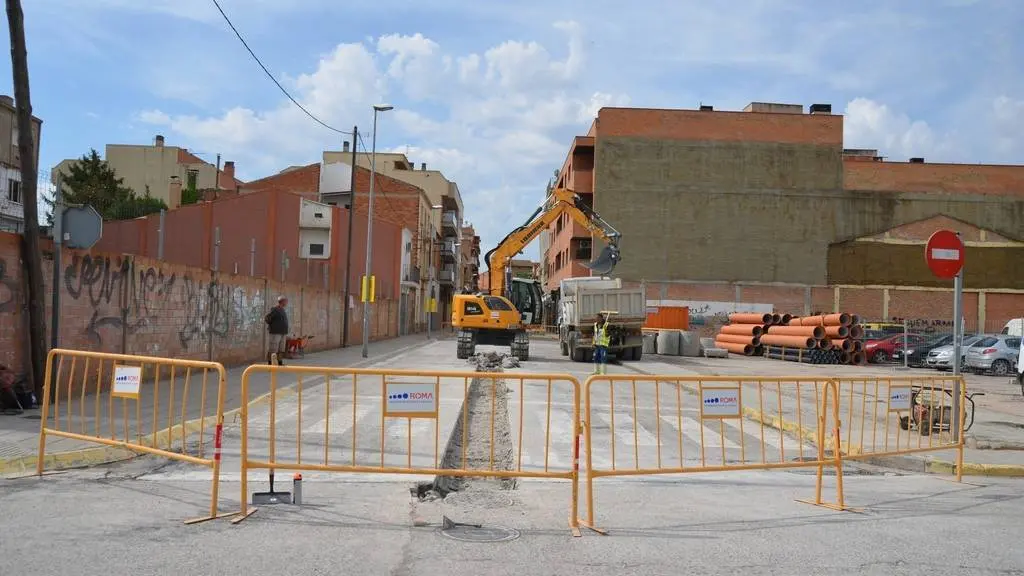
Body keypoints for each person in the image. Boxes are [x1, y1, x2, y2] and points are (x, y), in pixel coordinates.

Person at [265, 296, 289, 365]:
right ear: (282, 301)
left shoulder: (283, 310)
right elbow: (267, 318)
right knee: (273, 349)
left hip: (283, 333)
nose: (286, 303)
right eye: (285, 301)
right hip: (275, 333)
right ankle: (270, 363)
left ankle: (280, 363)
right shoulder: (275, 309)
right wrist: (273, 326)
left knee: (281, 349)